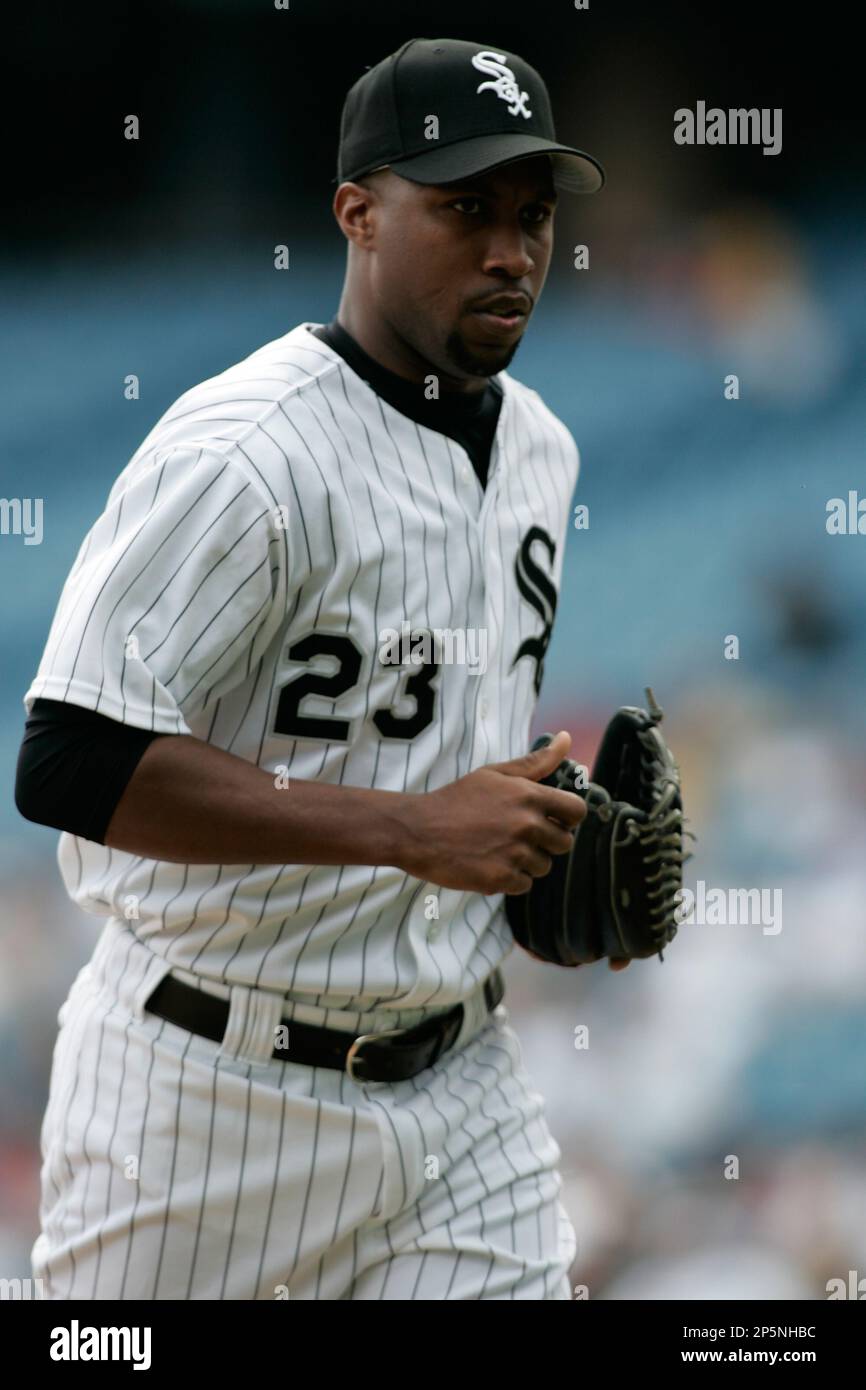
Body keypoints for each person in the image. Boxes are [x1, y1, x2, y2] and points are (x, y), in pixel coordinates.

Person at [16, 36, 618, 1301]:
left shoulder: (544, 453)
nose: (509, 251)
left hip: (462, 1096)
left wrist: (533, 854)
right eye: (463, 210)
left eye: (531, 215)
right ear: (356, 212)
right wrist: (413, 832)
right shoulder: (246, 451)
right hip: (199, 1104)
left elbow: (440, 772)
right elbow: (70, 760)